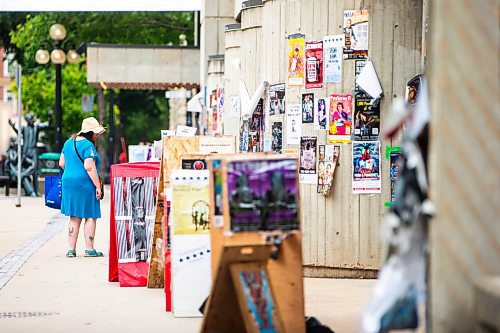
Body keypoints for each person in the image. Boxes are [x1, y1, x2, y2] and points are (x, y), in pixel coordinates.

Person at [59, 117, 105, 258]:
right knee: (90, 215)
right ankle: (90, 249)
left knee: (74, 216)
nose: (97, 135)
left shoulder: (68, 143)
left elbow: (61, 163)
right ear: (90, 132)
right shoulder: (88, 146)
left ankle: (71, 250)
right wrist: (98, 186)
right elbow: (89, 167)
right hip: (84, 183)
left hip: (68, 181)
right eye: (96, 133)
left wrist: (72, 172)